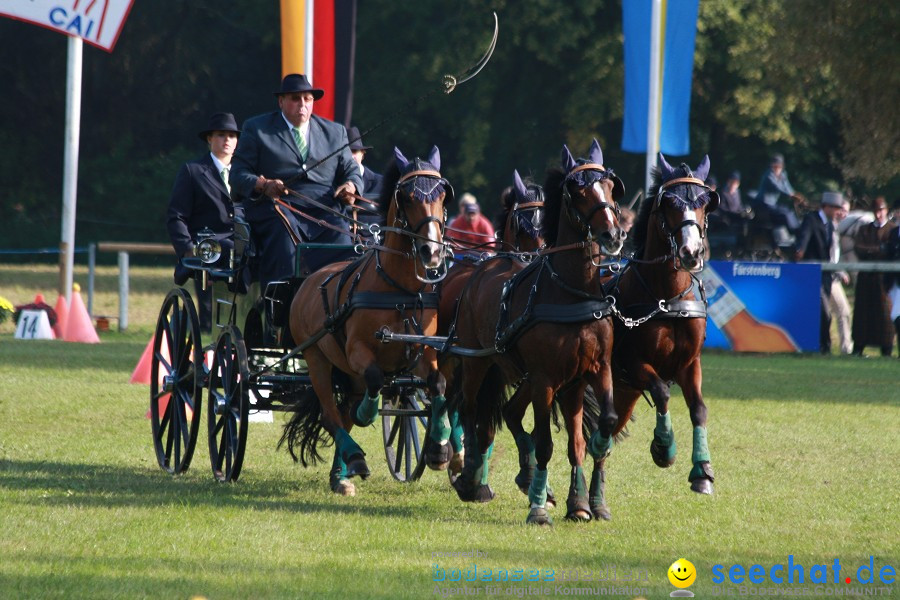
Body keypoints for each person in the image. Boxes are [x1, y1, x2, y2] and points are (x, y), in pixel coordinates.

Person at [230, 74, 362, 288]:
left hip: (324, 207)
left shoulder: (335, 132)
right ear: (281, 101)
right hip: (277, 205)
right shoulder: (257, 128)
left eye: (307, 99)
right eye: (295, 98)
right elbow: (237, 174)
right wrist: (263, 185)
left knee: (342, 241)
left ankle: (338, 305)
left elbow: (351, 170)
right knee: (285, 243)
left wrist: (351, 186)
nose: (302, 104)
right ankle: (282, 305)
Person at [166, 112, 243, 331]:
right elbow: (176, 216)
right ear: (210, 139)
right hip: (210, 250)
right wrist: (187, 249)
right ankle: (209, 330)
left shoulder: (245, 174)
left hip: (242, 246)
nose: (227, 140)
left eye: (231, 135)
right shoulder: (193, 171)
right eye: (221, 135)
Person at [794, 191, 850, 354]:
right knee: (824, 313)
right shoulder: (812, 220)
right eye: (835, 208)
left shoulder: (832, 225)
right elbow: (804, 238)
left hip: (828, 275)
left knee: (837, 312)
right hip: (813, 274)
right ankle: (823, 347)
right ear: (826, 207)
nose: (838, 211)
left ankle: (827, 348)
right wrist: (800, 251)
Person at [851, 196, 896, 356]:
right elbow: (858, 248)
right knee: (863, 316)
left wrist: (873, 250)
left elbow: (889, 251)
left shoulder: (892, 230)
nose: (878, 214)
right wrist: (877, 249)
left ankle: (886, 350)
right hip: (866, 279)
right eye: (876, 211)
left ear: (886, 210)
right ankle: (858, 348)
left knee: (885, 318)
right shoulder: (865, 229)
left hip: (884, 280)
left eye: (881, 210)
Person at [753, 154, 806, 245]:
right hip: (764, 204)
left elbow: (787, 187)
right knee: (784, 213)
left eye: (779, 167)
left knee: (788, 211)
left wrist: (795, 195)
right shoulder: (769, 176)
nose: (777, 169)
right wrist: (791, 195)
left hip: (773, 204)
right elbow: (778, 187)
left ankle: (798, 231)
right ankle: (795, 232)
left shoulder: (783, 175)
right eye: (775, 166)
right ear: (772, 166)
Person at [347, 125, 384, 239]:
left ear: (363, 153)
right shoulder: (331, 185)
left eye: (354, 151)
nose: (351, 156)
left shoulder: (382, 184)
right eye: (346, 151)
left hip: (375, 250)